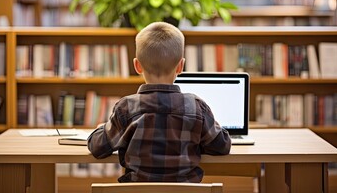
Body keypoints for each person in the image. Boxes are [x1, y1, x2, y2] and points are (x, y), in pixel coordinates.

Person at [87, 22, 231, 182]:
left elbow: (97, 147)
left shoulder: (126, 108)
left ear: (137, 66)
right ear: (181, 66)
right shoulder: (196, 107)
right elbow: (222, 145)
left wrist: (102, 128)